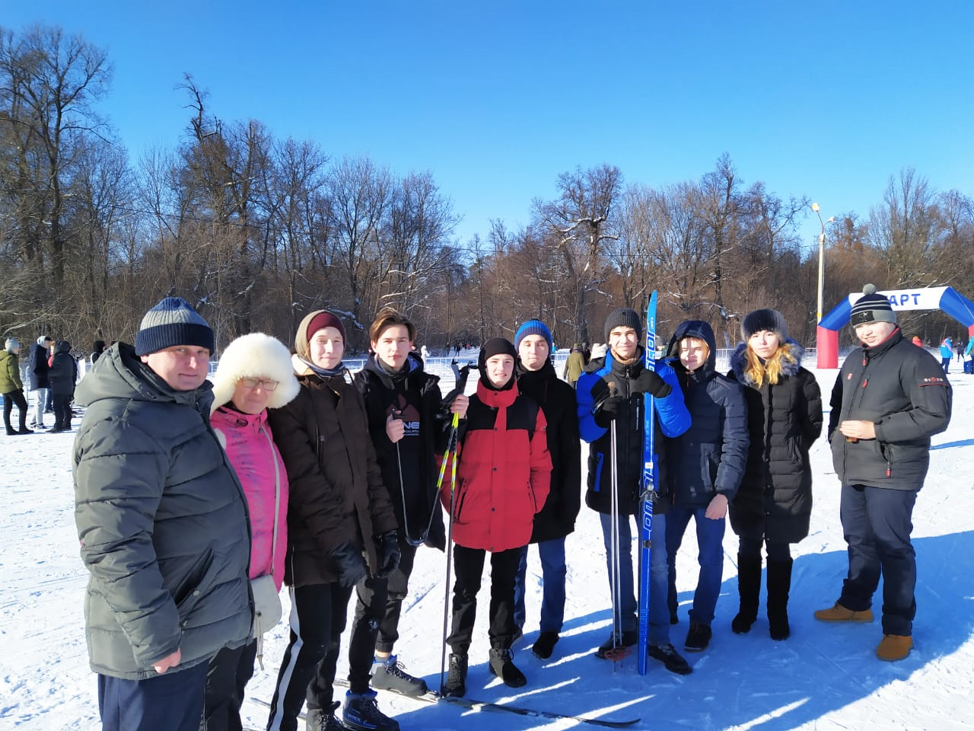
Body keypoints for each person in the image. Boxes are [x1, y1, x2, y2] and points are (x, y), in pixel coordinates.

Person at [73, 297, 252, 731]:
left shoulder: (177, 408)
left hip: (184, 628)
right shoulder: (125, 422)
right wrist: (155, 637)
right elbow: (112, 542)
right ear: (147, 353)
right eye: (179, 352)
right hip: (152, 646)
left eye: (203, 353)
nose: (194, 363)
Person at [264, 310, 401, 731]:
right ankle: (284, 723)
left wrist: (386, 527)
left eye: (337, 341)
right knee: (309, 641)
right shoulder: (289, 396)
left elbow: (368, 466)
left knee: (334, 633)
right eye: (321, 340)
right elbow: (304, 479)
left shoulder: (348, 390)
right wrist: (340, 545)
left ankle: (321, 712)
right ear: (304, 344)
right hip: (311, 544)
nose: (329, 348)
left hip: (352, 535)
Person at [814, 284, 951, 662]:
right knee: (858, 539)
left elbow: (935, 416)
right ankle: (856, 604)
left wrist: (877, 430)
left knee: (893, 548)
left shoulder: (916, 360)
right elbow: (838, 406)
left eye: (873, 322)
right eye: (859, 324)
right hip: (853, 467)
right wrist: (835, 439)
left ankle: (898, 629)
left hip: (893, 470)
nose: (866, 329)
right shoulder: (855, 360)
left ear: (891, 321)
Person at [351, 308, 468, 697]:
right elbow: (351, 450)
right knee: (372, 594)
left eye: (402, 340)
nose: (396, 347)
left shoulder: (424, 385)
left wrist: (454, 417)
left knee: (396, 589)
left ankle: (383, 661)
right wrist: (383, 436)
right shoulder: (362, 388)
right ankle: (359, 674)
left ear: (412, 344)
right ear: (373, 345)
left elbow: (437, 443)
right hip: (375, 510)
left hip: (414, 507)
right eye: (387, 341)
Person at [576, 307, 693, 675]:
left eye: (629, 333)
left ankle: (657, 634)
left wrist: (660, 392)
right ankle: (624, 627)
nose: (624, 340)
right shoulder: (591, 377)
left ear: (639, 336)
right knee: (618, 555)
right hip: (609, 479)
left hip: (650, 482)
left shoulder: (662, 371)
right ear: (607, 339)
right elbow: (585, 430)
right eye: (616, 335)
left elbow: (677, 427)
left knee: (655, 561)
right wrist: (599, 416)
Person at [442, 337, 551, 697]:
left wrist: (531, 503)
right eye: (494, 363)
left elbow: (541, 465)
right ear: (483, 368)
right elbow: (447, 466)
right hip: (471, 516)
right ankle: (458, 656)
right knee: (465, 591)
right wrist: (454, 502)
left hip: (513, 516)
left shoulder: (529, 410)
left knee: (505, 589)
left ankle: (500, 651)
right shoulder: (466, 408)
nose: (501, 369)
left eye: (507, 363)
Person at [202, 333, 300, 731]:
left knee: (236, 684)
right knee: (212, 696)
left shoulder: (264, 429)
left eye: (269, 382)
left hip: (258, 587)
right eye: (250, 380)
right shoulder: (212, 431)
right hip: (220, 591)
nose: (259, 391)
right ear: (231, 379)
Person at [727, 309, 823, 640]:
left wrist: (791, 451)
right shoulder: (737, 377)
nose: (763, 341)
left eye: (769, 333)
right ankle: (747, 609)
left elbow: (812, 425)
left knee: (779, 547)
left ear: (780, 335)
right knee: (748, 544)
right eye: (755, 335)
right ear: (747, 340)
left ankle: (777, 612)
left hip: (786, 474)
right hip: (748, 475)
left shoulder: (801, 379)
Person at [663, 320, 748, 653]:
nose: (689, 354)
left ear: (710, 351)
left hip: (709, 493)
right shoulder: (667, 386)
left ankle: (701, 621)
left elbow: (736, 444)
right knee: (661, 556)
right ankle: (665, 608)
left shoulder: (727, 391)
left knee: (710, 558)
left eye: (697, 348)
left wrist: (724, 493)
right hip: (671, 492)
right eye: (684, 347)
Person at [512, 320, 581, 660]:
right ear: (518, 349)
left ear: (550, 349)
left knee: (554, 566)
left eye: (541, 344)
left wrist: (568, 502)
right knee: (514, 567)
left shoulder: (563, 393)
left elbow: (570, 452)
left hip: (551, 497)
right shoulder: (505, 389)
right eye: (527, 344)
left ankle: (550, 627)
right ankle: (512, 625)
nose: (534, 351)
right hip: (512, 498)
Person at [1, 338, 32, 436]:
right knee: (23, 407)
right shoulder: (11, 358)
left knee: (7, 408)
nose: (18, 349)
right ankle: (22, 428)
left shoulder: (2, 357)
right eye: (16, 348)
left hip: (3, 387)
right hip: (12, 387)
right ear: (11, 348)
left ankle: (8, 429)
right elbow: (13, 375)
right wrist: (19, 387)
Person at [48, 340, 78, 432]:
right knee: (66, 405)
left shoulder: (59, 358)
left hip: (59, 385)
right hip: (68, 385)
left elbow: (57, 371)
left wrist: (48, 373)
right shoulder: (68, 357)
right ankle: (67, 423)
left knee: (58, 407)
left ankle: (58, 425)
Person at [27, 335, 53, 429]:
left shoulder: (41, 351)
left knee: (39, 401)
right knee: (40, 401)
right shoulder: (37, 352)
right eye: (47, 342)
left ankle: (33, 421)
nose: (49, 344)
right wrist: (44, 375)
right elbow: (35, 368)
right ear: (42, 342)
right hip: (38, 379)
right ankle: (39, 423)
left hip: (40, 379)